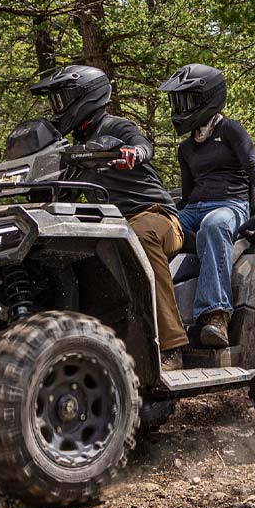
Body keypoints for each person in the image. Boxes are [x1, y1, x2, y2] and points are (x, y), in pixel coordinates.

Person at [30, 64, 188, 365]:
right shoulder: (75, 150)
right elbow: (64, 193)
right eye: (54, 102)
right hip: (112, 227)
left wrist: (134, 153)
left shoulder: (116, 127)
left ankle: (172, 346)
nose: (57, 109)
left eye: (62, 100)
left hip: (157, 216)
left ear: (85, 97)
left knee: (139, 237)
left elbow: (143, 144)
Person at [158, 64, 255, 349]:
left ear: (207, 99)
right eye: (177, 102)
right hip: (195, 207)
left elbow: (253, 165)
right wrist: (169, 214)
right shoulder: (185, 149)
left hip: (230, 205)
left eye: (185, 101)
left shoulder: (230, 130)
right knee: (157, 227)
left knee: (213, 225)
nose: (179, 108)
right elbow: (188, 195)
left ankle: (216, 315)